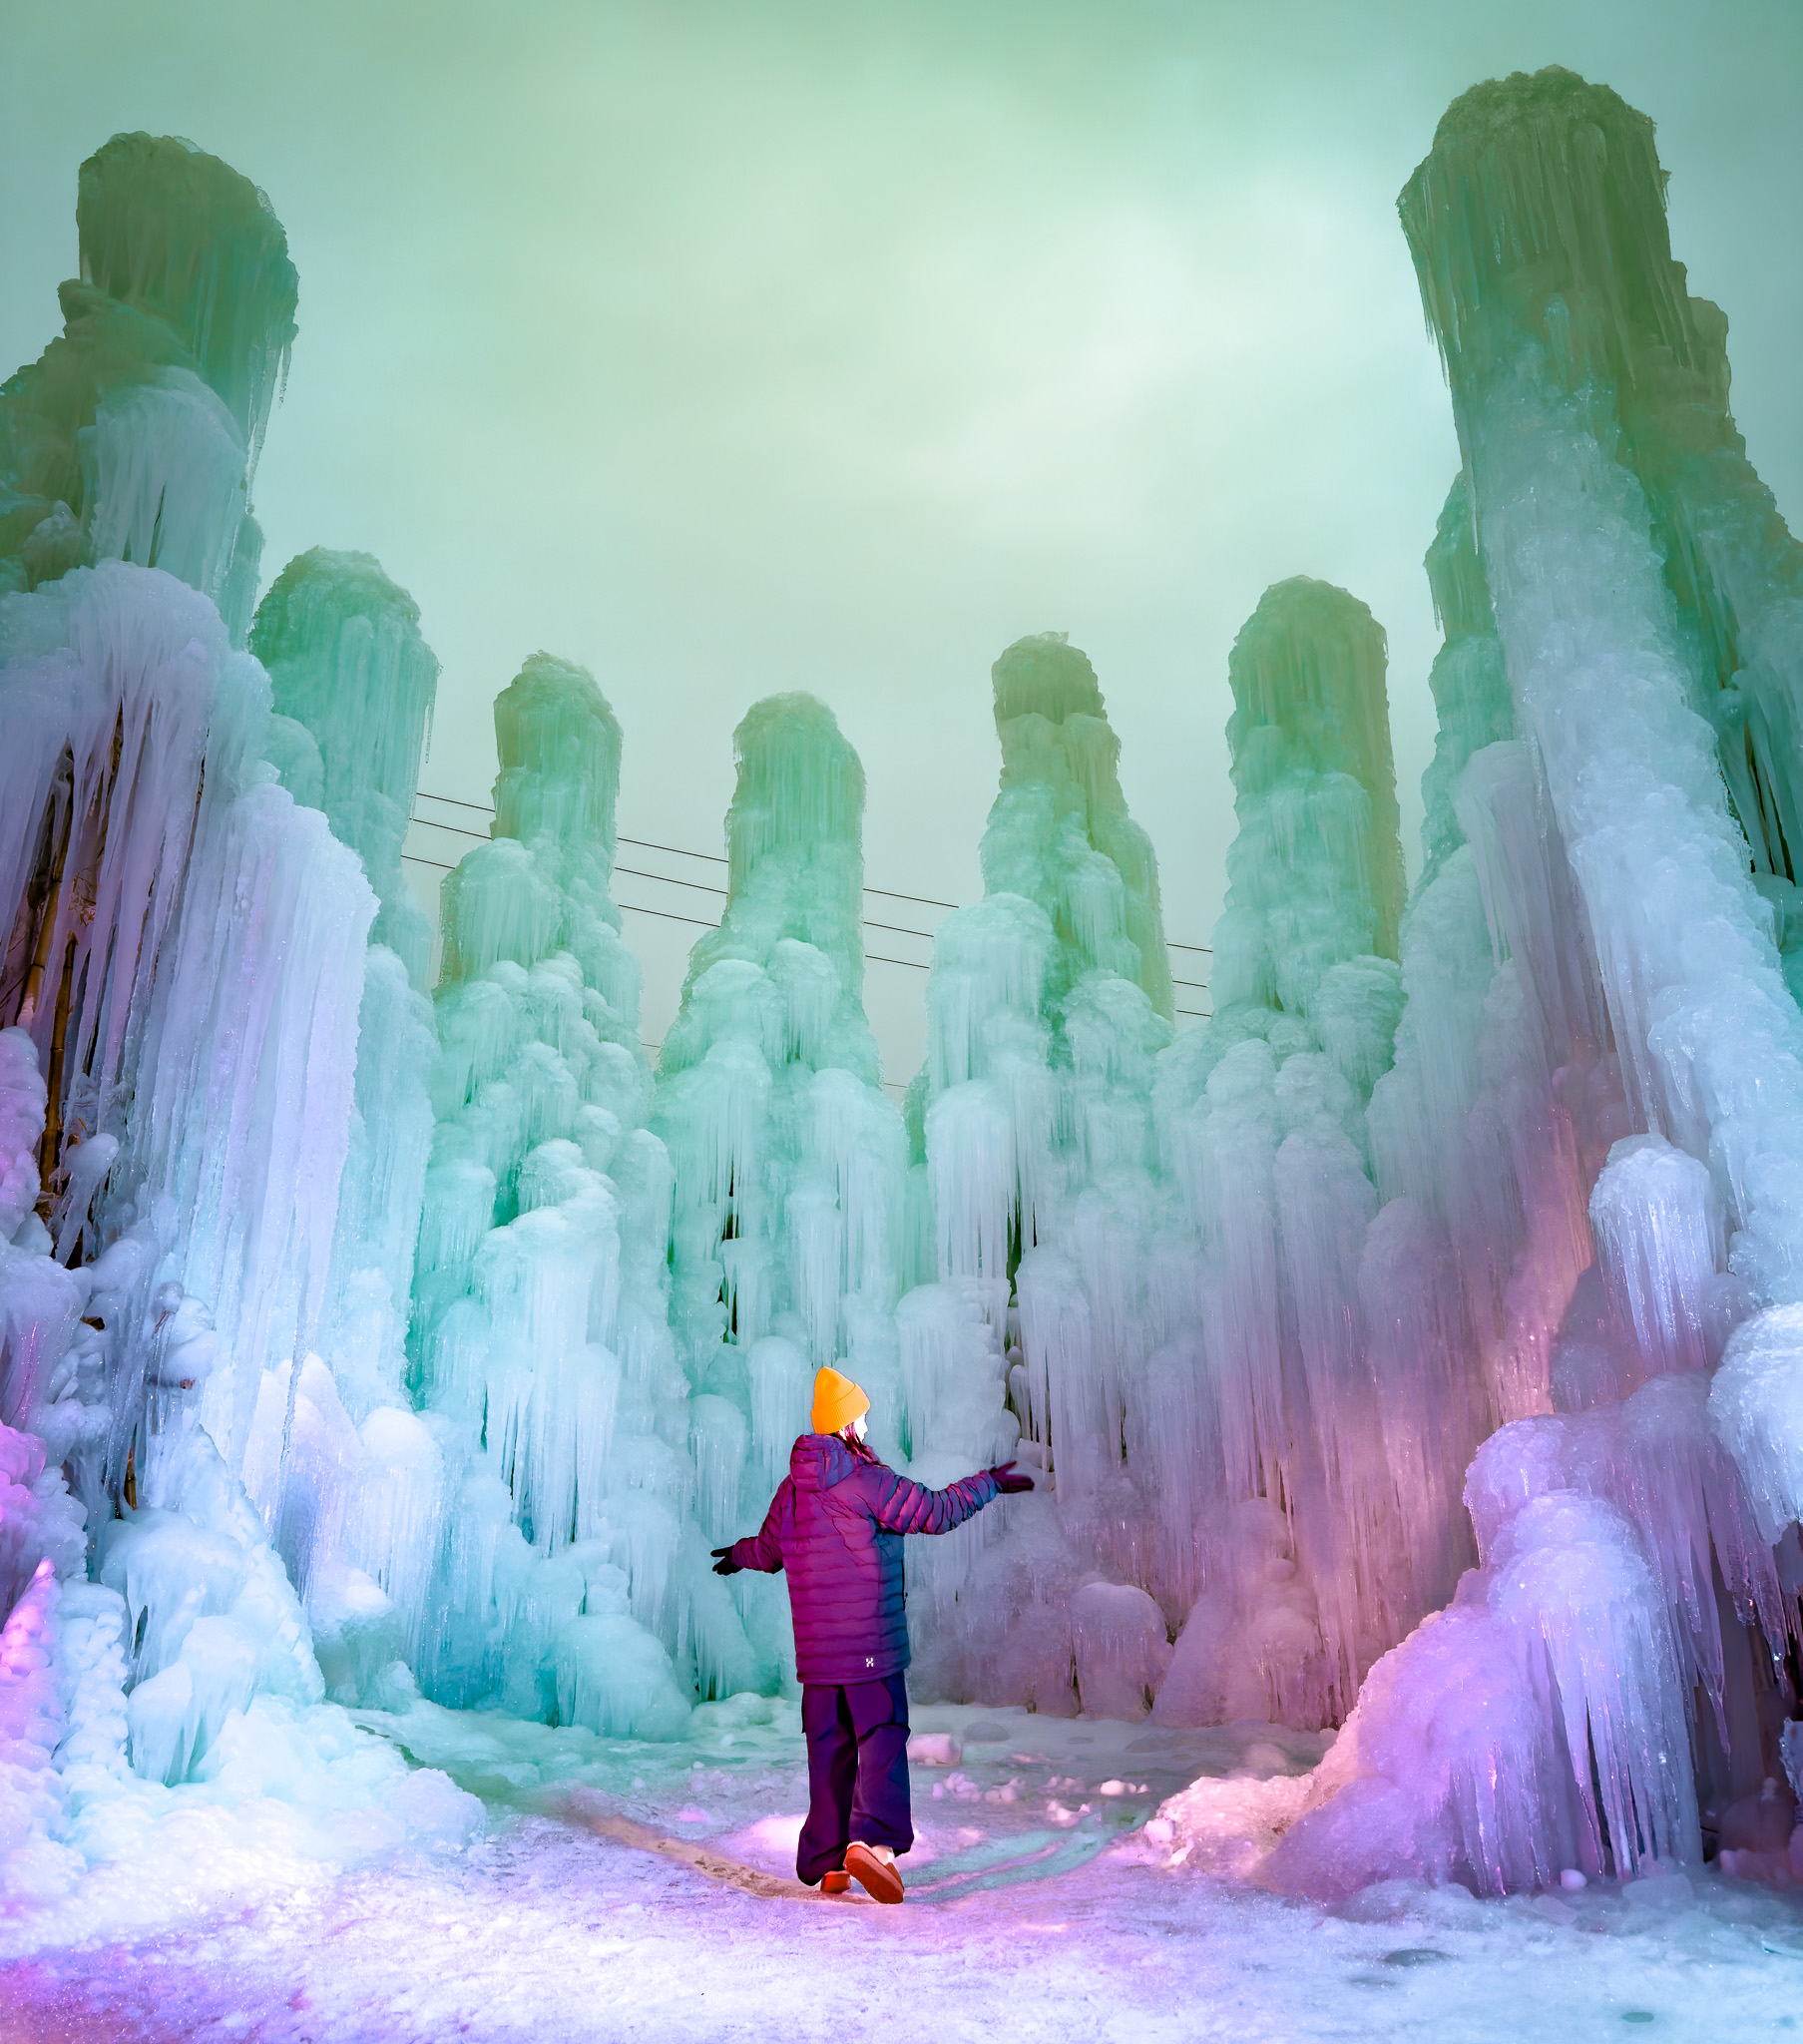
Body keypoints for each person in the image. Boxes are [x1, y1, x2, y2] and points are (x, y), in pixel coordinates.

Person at [711, 1364, 1033, 1902]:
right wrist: (990, 1483)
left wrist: (738, 1555)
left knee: (829, 1751)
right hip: (870, 1655)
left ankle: (828, 1860)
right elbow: (935, 1511)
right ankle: (875, 1847)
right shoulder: (868, 1481)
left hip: (818, 1665)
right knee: (881, 1739)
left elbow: (767, 1552)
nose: (866, 1426)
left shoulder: (791, 1492)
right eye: (861, 1417)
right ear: (846, 1425)